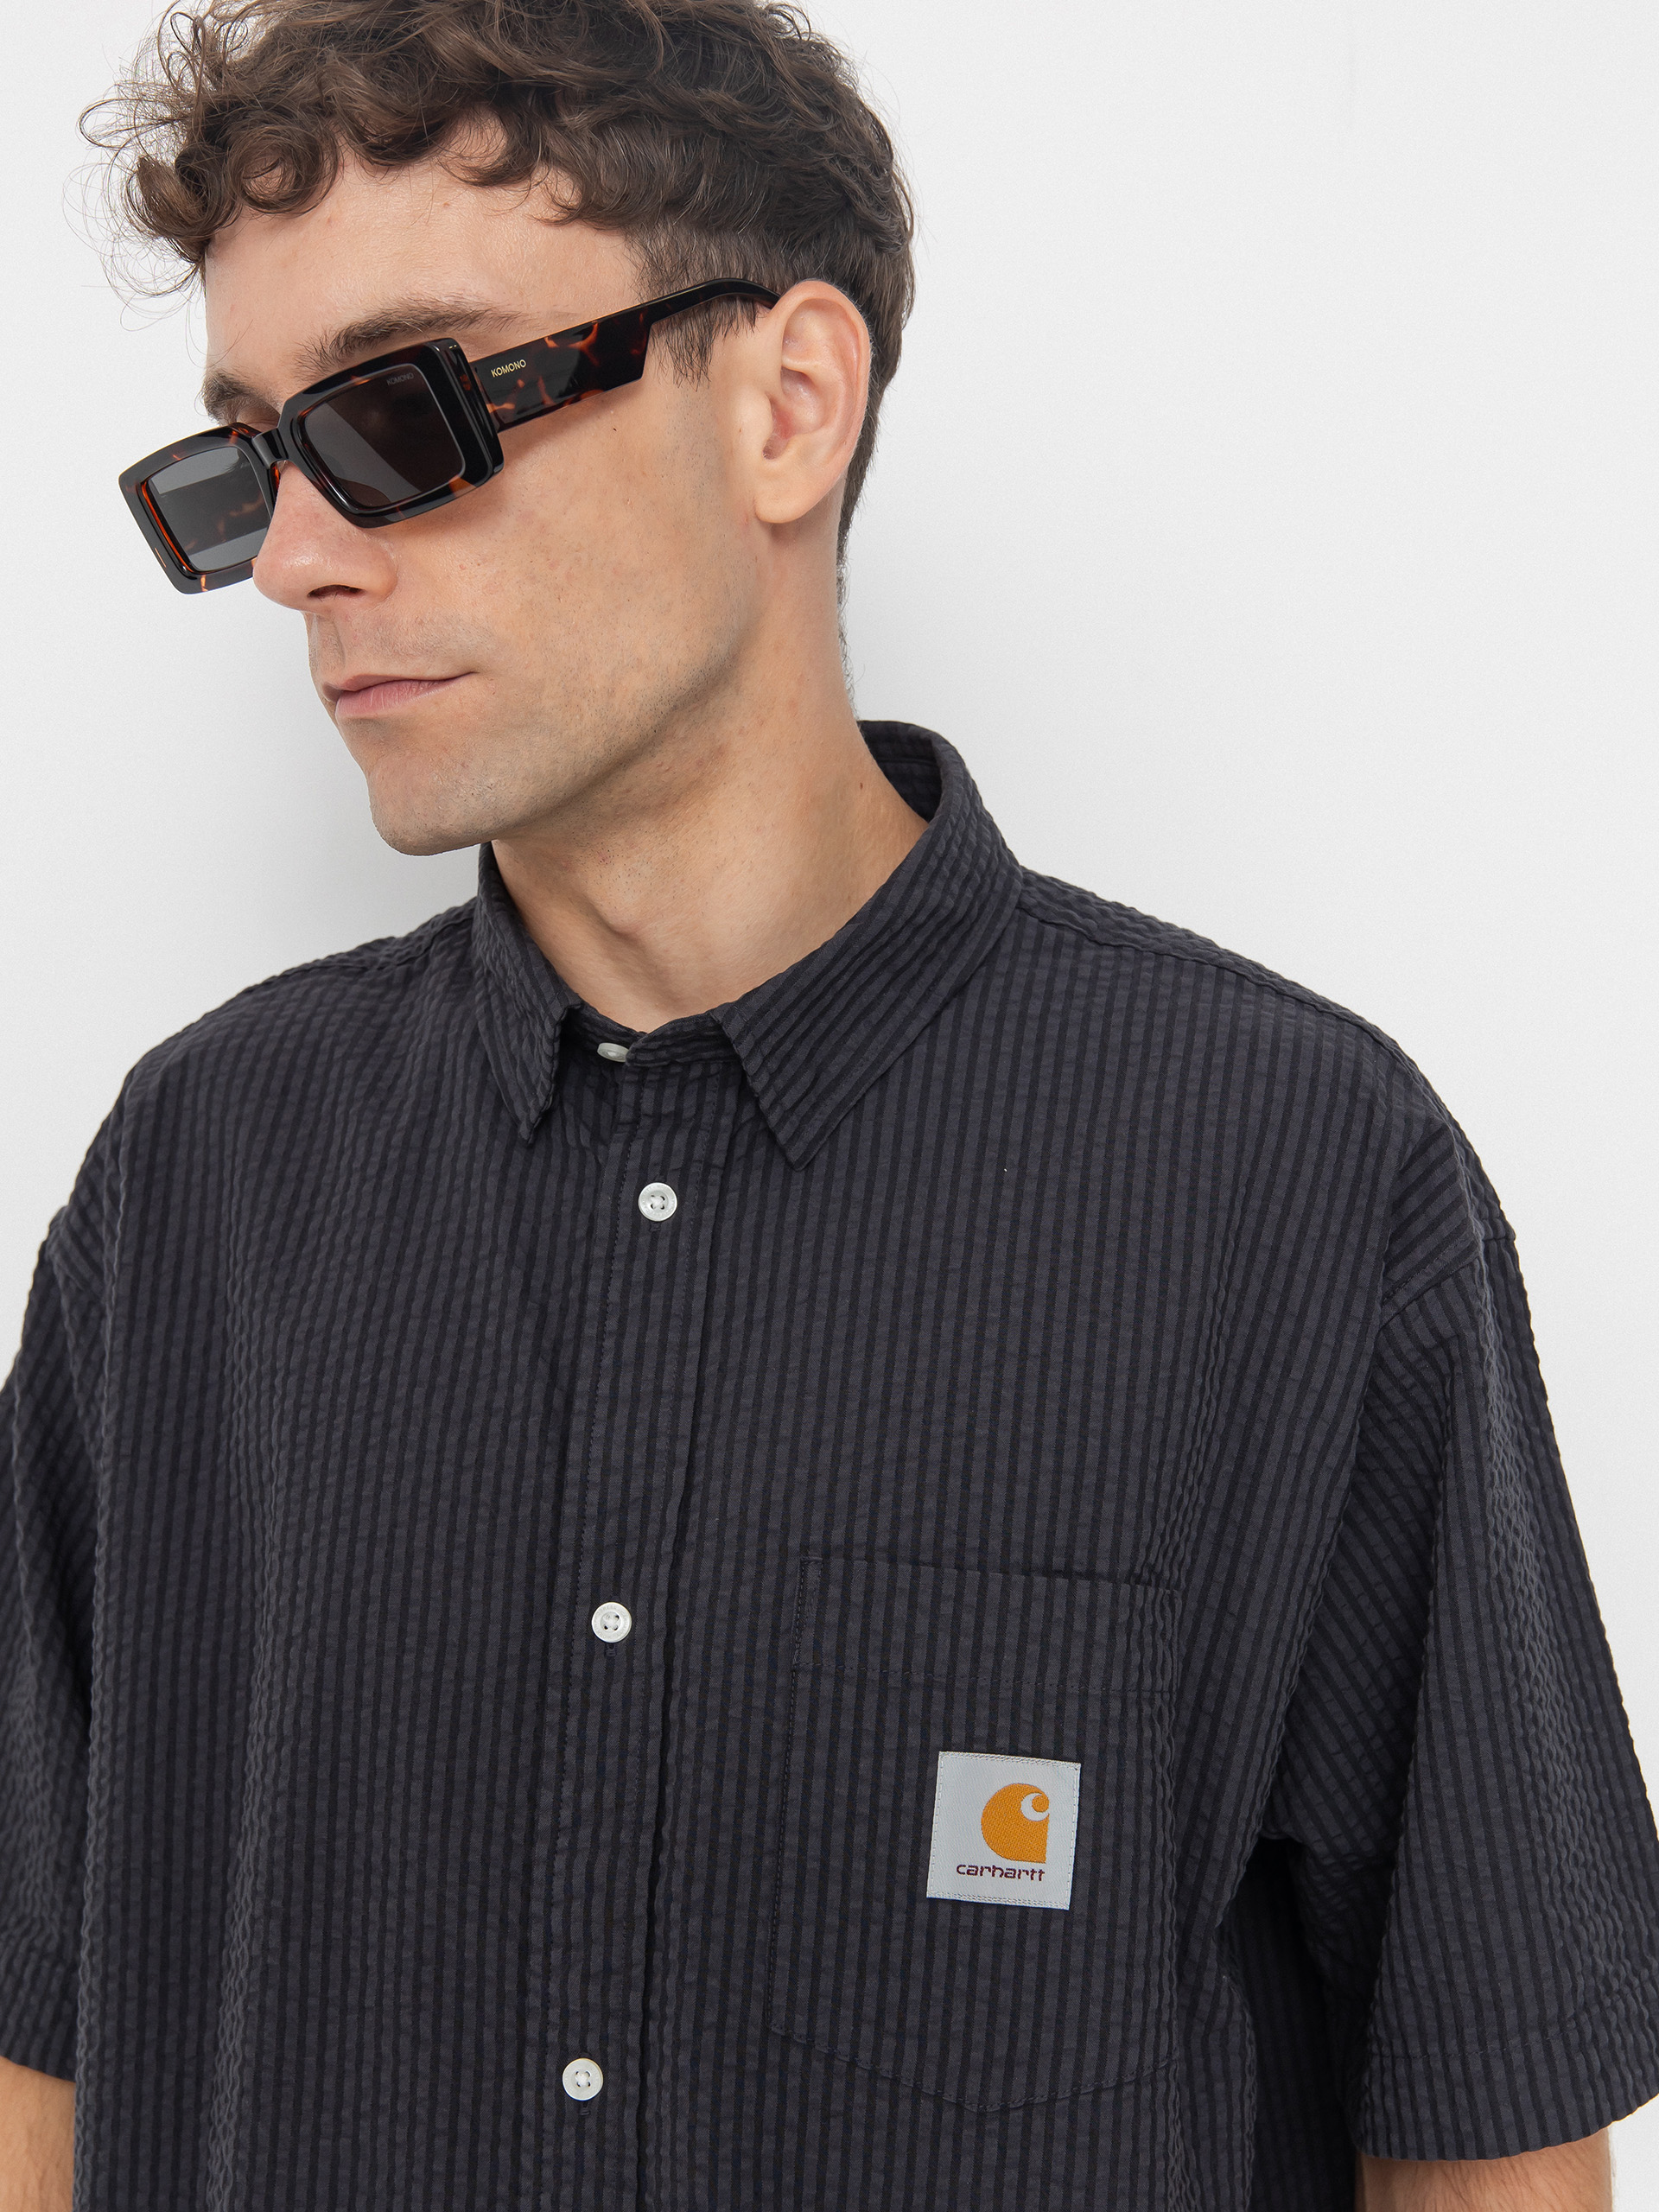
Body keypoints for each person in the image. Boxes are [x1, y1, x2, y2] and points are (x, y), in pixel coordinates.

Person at [2, 2, 1656, 2206]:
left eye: (402, 413)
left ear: (786, 402)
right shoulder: (195, 1190)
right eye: (248, 463)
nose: (300, 557)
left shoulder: (1300, 1181)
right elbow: (37, 2063)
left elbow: (1485, 2137)